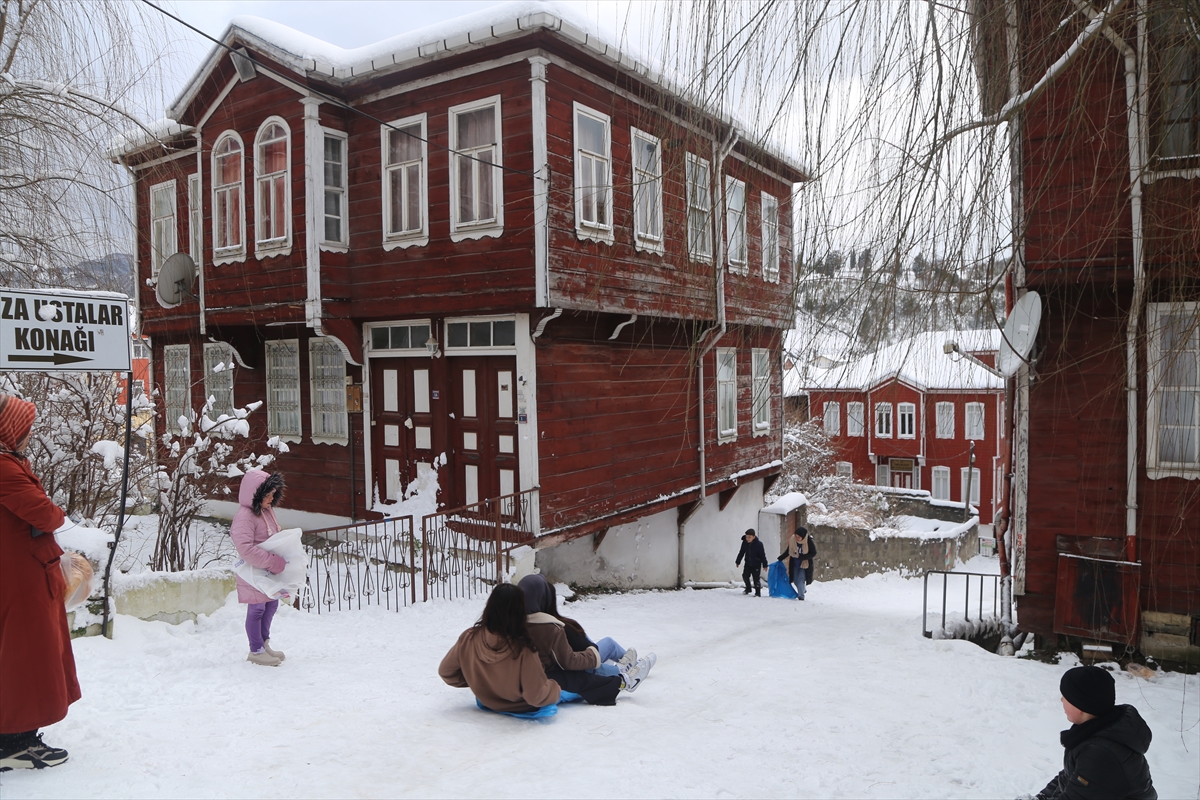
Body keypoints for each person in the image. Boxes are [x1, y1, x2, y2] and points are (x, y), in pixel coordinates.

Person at [0, 394, 79, 771]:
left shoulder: (9, 464)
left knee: (18, 656)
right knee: (27, 658)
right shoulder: (4, 468)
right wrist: (55, 509)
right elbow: (47, 515)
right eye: (25, 428)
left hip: (19, 574)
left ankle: (15, 735)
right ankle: (16, 743)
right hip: (20, 580)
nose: (29, 435)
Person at [517, 574, 648, 704]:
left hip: (534, 677)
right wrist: (592, 653)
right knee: (601, 652)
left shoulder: (513, 623)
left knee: (594, 654)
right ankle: (623, 671)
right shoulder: (551, 628)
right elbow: (568, 661)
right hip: (558, 674)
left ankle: (623, 669)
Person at [1035, 666, 1156, 800]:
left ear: (1080, 704)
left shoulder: (1100, 753)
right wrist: (1042, 797)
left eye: (1066, 696)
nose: (1061, 700)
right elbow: (1069, 778)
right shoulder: (1095, 730)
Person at [438, 583, 561, 714]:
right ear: (520, 611)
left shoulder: (469, 637)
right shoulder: (523, 649)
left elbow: (446, 671)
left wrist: (480, 683)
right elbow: (536, 696)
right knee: (569, 687)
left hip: (486, 703)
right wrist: (555, 688)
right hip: (522, 708)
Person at [230, 470, 289, 667]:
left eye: (274, 494)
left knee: (271, 604)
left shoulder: (265, 511)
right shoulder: (245, 516)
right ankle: (255, 650)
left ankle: (264, 645)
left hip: (267, 571)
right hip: (253, 572)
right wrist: (273, 561)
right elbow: (245, 548)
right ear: (255, 494)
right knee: (257, 609)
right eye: (268, 495)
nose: (272, 498)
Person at [778, 526, 817, 601]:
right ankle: (802, 588)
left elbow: (813, 553)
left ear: (803, 537)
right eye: (796, 536)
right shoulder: (793, 540)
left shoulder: (808, 541)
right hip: (795, 564)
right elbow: (788, 551)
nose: (797, 538)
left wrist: (803, 557)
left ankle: (801, 596)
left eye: (799, 537)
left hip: (804, 565)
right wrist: (781, 558)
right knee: (795, 580)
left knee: (800, 580)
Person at [735, 528, 768, 596]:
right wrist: (738, 561)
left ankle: (758, 592)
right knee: (745, 576)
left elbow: (762, 555)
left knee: (756, 579)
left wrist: (765, 564)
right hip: (748, 563)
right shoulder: (744, 543)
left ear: (754, 537)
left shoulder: (759, 544)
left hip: (756, 564)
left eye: (749, 537)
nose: (747, 539)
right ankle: (748, 588)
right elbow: (741, 552)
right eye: (747, 537)